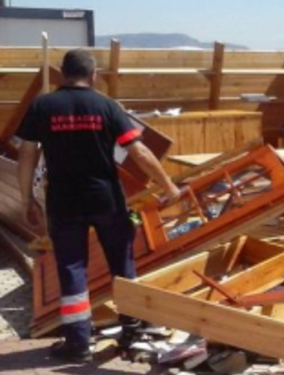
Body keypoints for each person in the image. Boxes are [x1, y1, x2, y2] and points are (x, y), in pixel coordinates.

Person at [16, 49, 181, 363]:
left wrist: (26, 199)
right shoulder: (106, 106)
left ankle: (78, 342)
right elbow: (139, 152)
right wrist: (168, 186)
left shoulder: (43, 106)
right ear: (93, 75)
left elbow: (27, 154)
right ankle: (133, 331)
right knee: (122, 263)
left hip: (64, 202)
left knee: (72, 268)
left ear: (64, 73)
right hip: (106, 200)